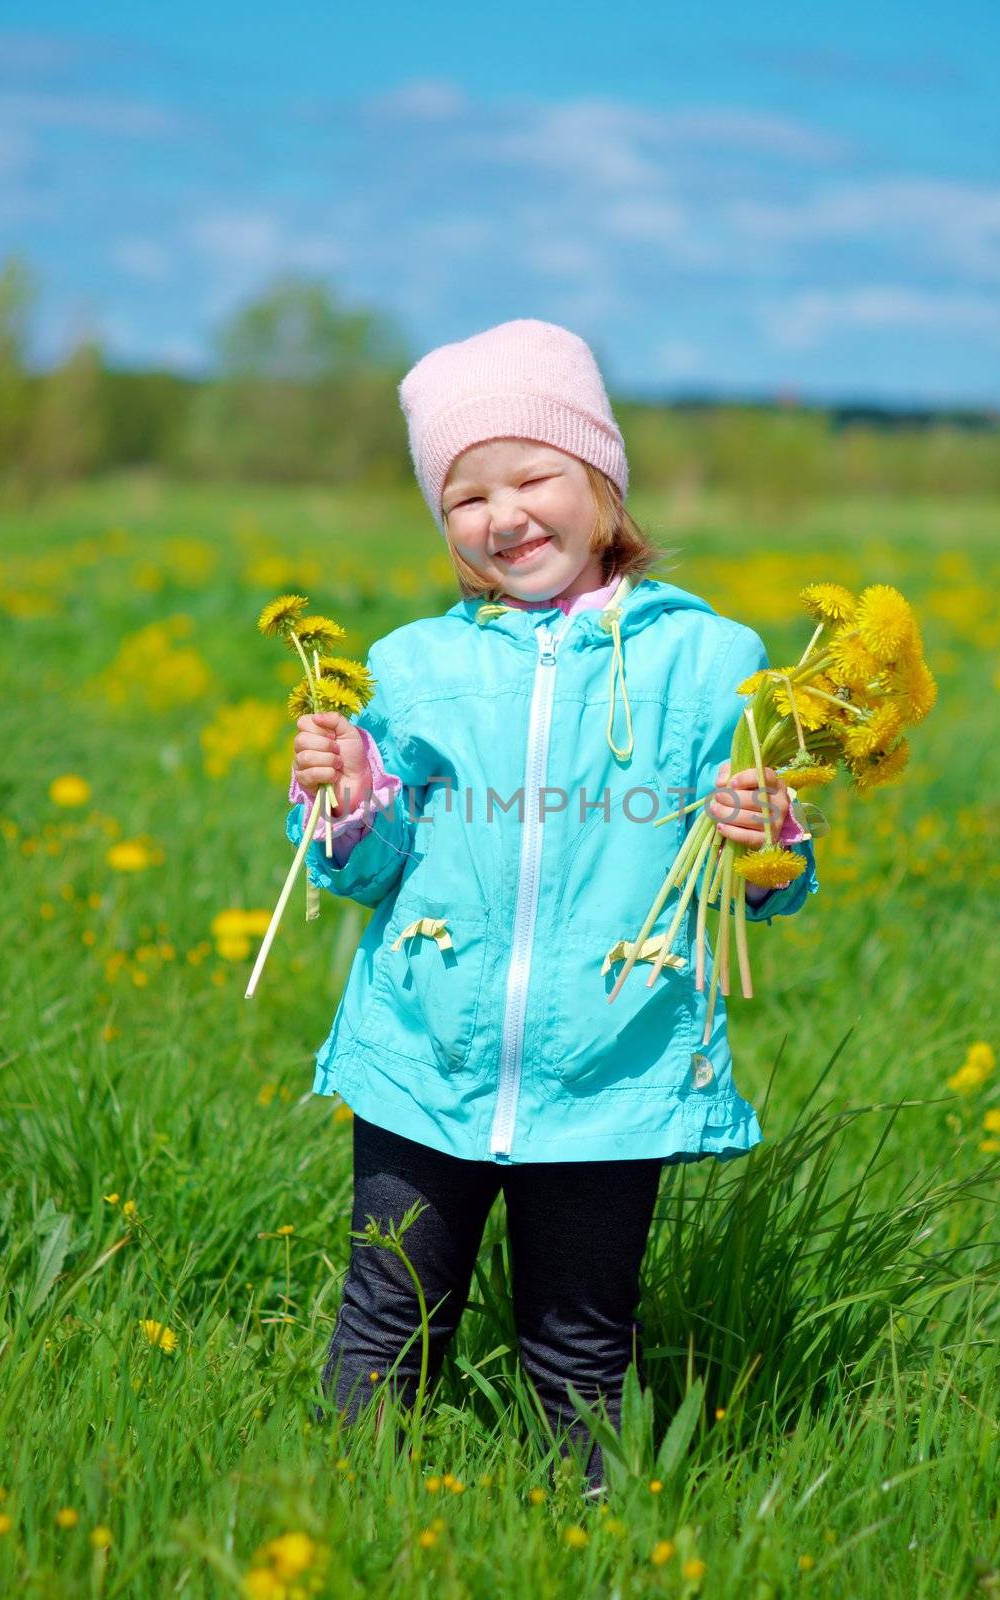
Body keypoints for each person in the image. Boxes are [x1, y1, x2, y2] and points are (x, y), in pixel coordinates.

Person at [286, 318, 820, 1495]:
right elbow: (358, 871)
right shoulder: (415, 661)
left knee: (579, 1347)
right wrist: (345, 801)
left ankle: (581, 1537)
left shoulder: (705, 659)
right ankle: (340, 1522)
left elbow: (761, 880)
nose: (501, 514)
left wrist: (763, 841)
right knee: (384, 1316)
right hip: (421, 1058)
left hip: (609, 1074)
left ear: (600, 482)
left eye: (531, 475)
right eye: (463, 495)